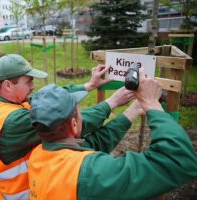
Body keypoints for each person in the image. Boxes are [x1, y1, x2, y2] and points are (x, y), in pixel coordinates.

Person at [0, 54, 135, 199]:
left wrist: (88, 85)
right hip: (21, 194)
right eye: (28, 81)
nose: (33, 86)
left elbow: (46, 98)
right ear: (8, 85)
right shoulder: (13, 122)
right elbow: (67, 120)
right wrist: (112, 102)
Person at [28, 74, 197, 199]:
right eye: (79, 111)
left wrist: (132, 111)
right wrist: (151, 103)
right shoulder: (90, 173)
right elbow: (177, 160)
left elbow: (90, 145)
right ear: (74, 125)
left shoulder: (39, 155)